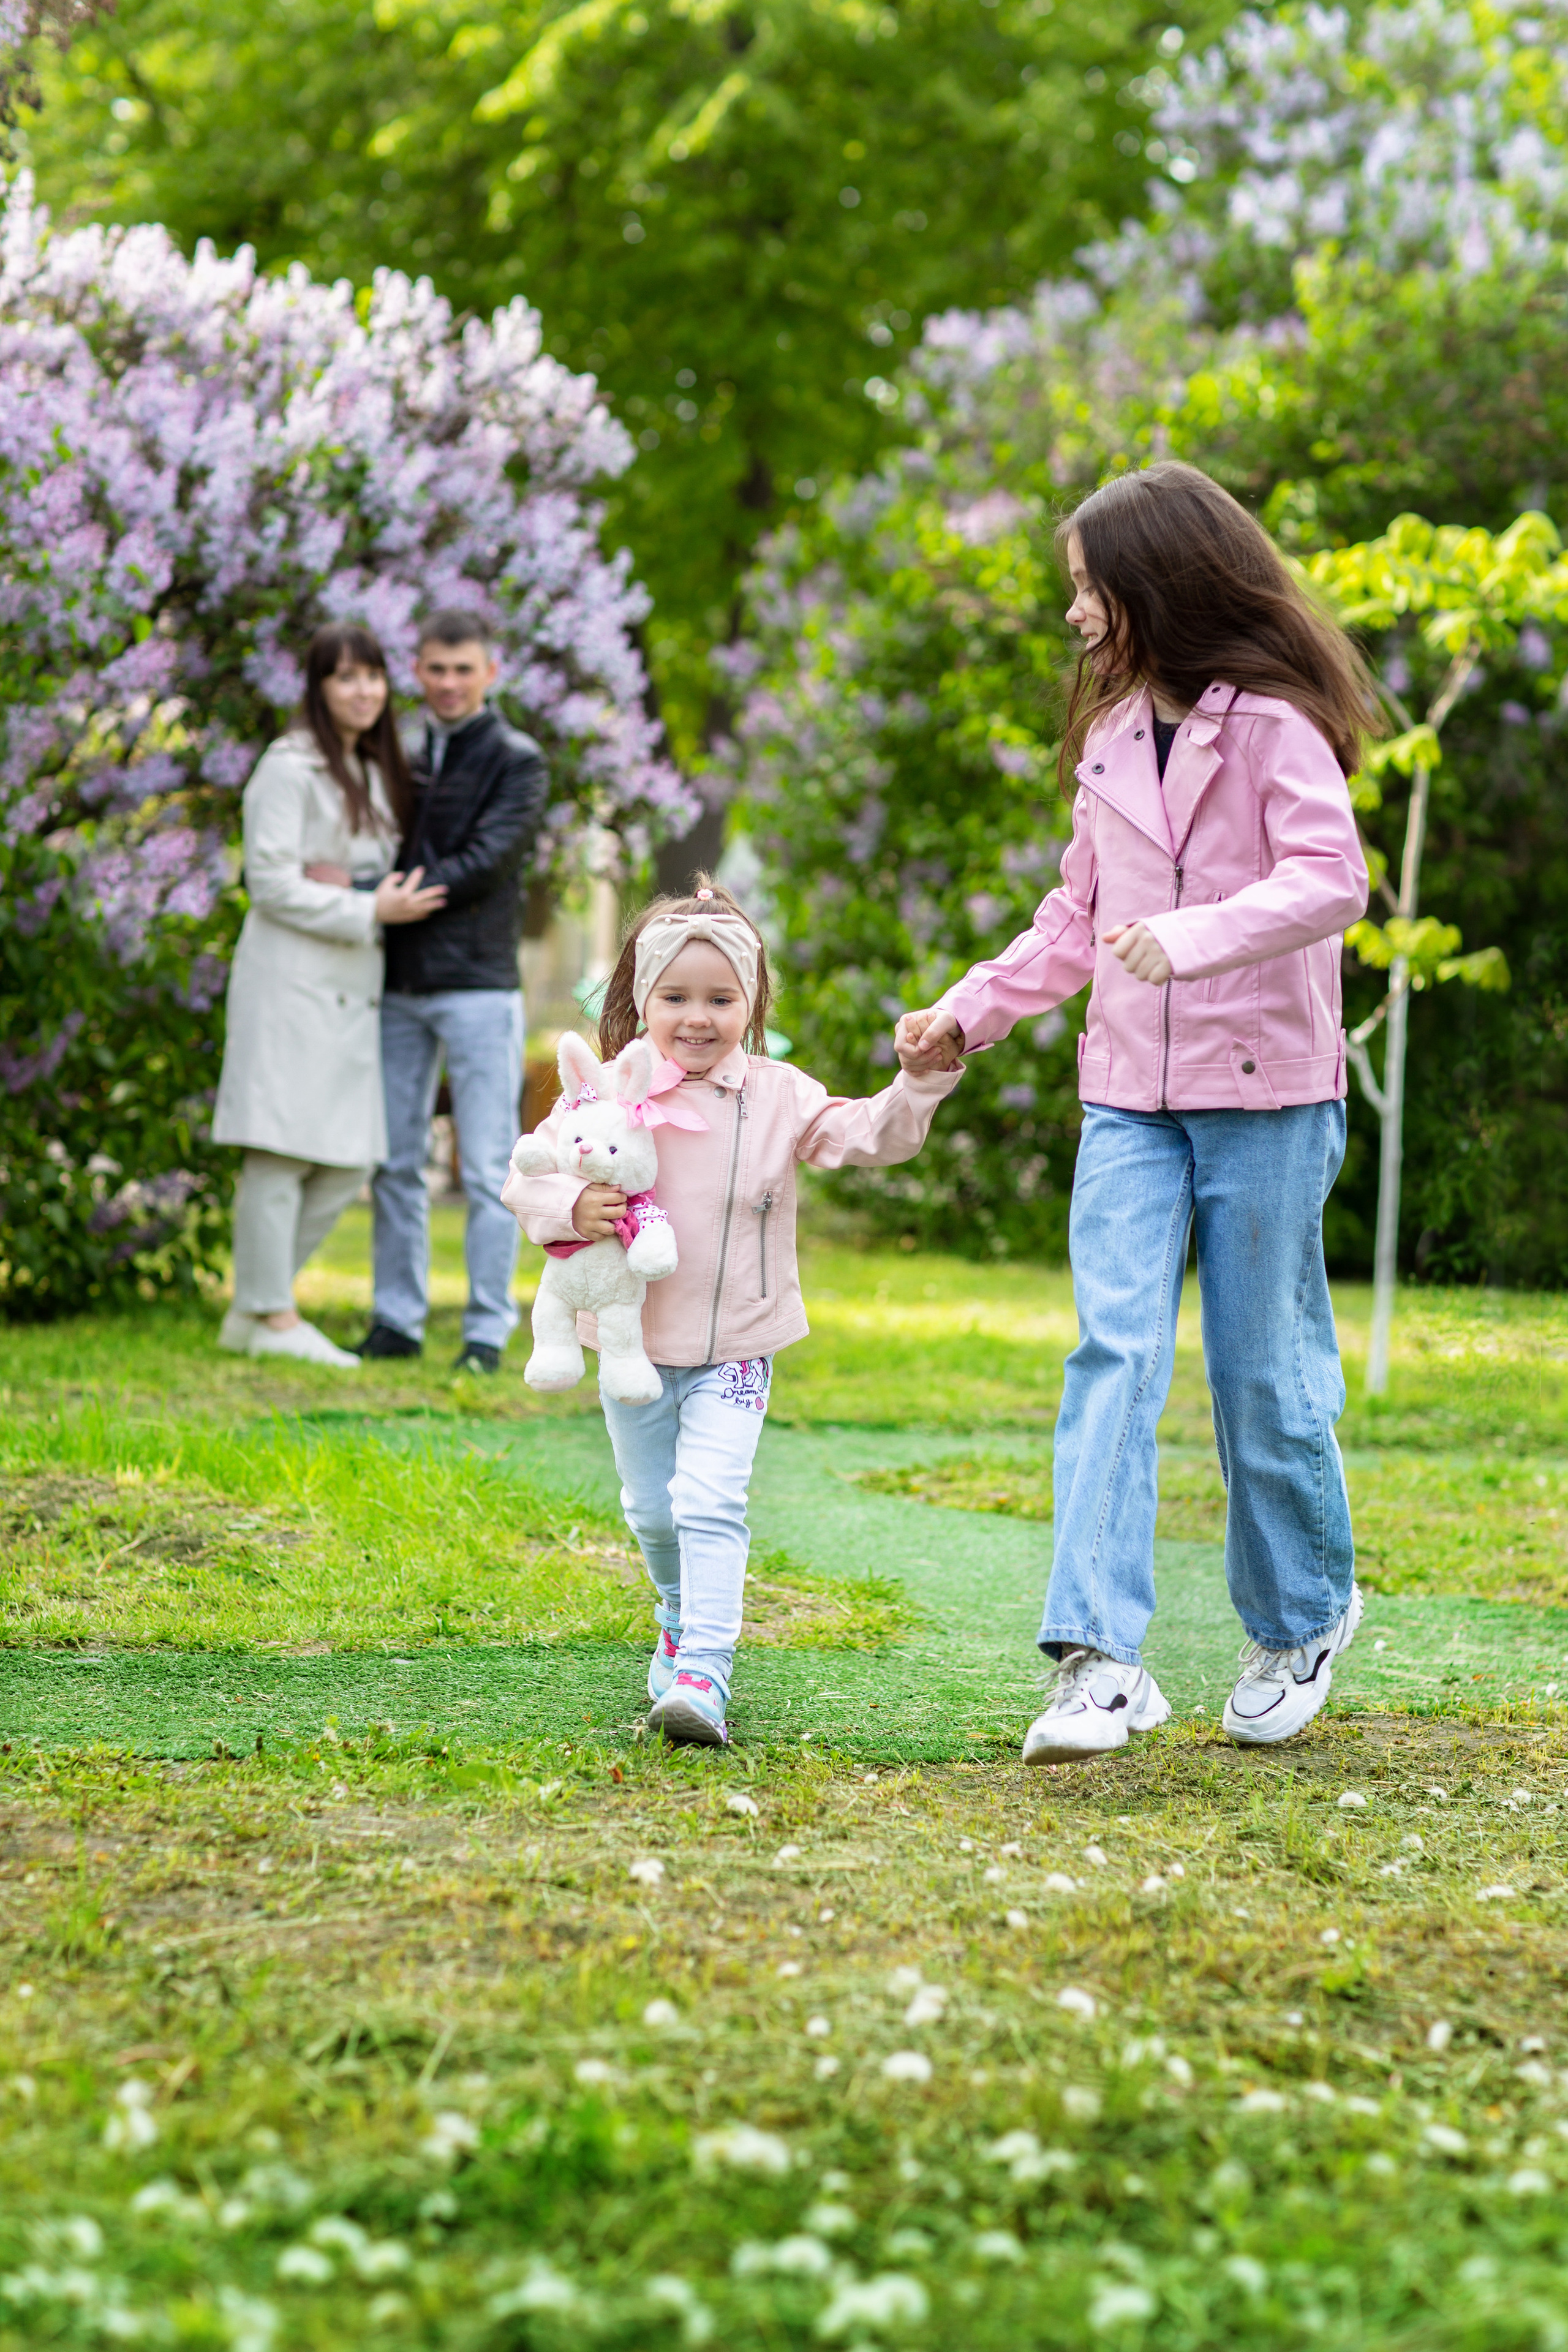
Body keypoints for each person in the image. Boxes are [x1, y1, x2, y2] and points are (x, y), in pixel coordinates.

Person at [899, 460, 1373, 1761]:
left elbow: (1331, 881)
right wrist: (967, 1010)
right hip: (1125, 1099)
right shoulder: (1109, 738)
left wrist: (1193, 935)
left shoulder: (1273, 726)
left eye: (1087, 588)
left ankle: (1300, 1619)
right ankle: (1098, 1662)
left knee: (1257, 1379)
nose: (1073, 614)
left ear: (1151, 583)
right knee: (1111, 1355)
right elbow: (1076, 915)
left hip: (1266, 1096)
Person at [503, 880, 963, 1747]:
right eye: (676, 997)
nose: (699, 1018)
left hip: (737, 1348)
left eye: (722, 999)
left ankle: (704, 1671)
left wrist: (917, 1085)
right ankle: (677, 1614)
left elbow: (870, 1135)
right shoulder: (607, 1093)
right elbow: (525, 1178)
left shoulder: (779, 1094)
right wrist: (572, 1210)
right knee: (652, 1510)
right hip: (633, 1344)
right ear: (643, 1001)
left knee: (710, 1499)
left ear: (750, 1004)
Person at [213, 624, 447, 1365]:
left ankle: (255, 1310)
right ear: (317, 689)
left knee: (348, 1159)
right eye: (345, 678)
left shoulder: (371, 769)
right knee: (278, 1153)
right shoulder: (289, 767)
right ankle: (272, 1317)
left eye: (373, 676)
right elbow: (272, 882)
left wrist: (353, 887)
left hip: (350, 985)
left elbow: (362, 869)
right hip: (289, 979)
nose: (363, 691)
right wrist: (365, 906)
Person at [354, 611, 549, 1374]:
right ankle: (396, 1322)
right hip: (398, 981)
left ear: (489, 672)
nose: (447, 682)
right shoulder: (392, 753)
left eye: (463, 668)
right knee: (395, 1159)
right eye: (435, 668)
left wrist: (380, 892)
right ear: (418, 670)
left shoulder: (517, 759)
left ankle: (484, 1331)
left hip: (478, 984)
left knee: (492, 1165)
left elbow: (489, 859)